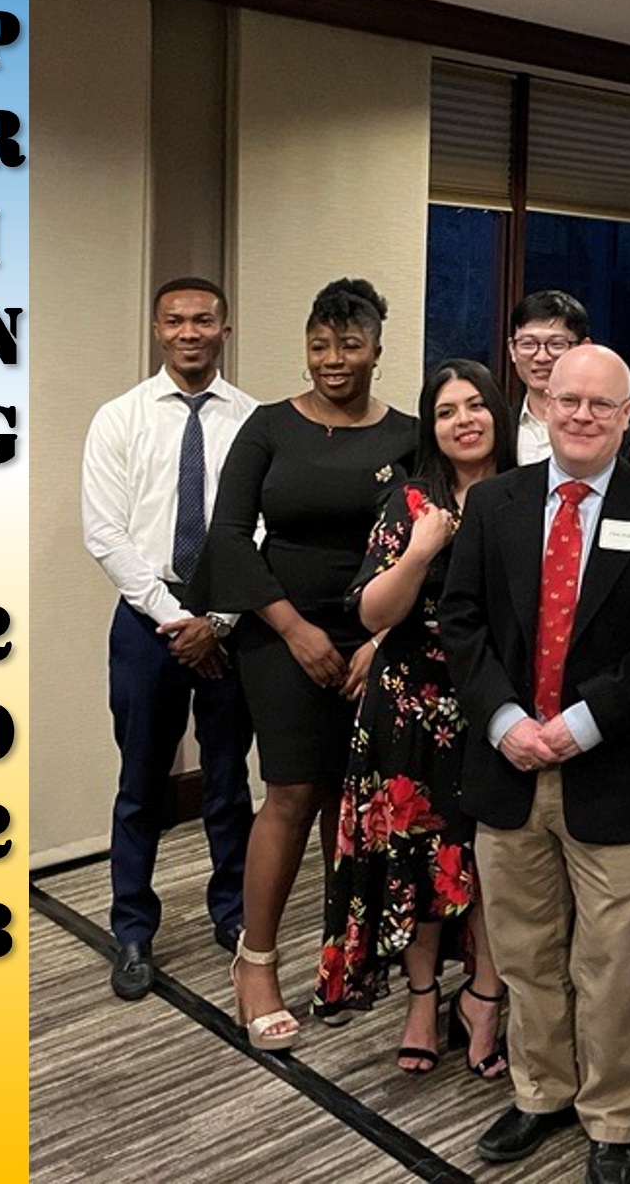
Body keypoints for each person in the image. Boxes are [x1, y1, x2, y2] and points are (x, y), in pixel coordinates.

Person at [438, 345, 630, 1184]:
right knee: (523, 948)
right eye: (566, 399)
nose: (581, 415)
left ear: (629, 415)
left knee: (614, 960)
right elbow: (460, 622)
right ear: (542, 405)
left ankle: (613, 1116)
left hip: (609, 764)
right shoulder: (495, 502)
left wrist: (583, 723)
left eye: (601, 404)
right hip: (508, 762)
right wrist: (506, 719)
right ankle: (540, 1090)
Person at [188, 277, 417, 1050]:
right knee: (288, 790)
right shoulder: (267, 427)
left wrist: (379, 641)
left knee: (349, 799)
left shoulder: (408, 437)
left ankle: (340, 959)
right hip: (279, 631)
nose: (332, 359)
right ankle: (254, 962)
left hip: (375, 630)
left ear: (376, 351)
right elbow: (225, 537)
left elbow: (429, 541)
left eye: (349, 345)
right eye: (320, 345)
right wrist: (291, 630)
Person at [316, 357, 517, 1079]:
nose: (463, 419)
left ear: (497, 411)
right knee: (416, 865)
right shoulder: (410, 501)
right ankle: (423, 999)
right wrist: (422, 550)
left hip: (494, 704)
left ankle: (486, 997)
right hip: (408, 704)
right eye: (445, 410)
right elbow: (371, 611)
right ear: (431, 427)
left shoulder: (530, 493)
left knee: (490, 863)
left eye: (474, 404)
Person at [81, 276, 259, 1000]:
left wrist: (216, 620)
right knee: (140, 783)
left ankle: (234, 914)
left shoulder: (254, 421)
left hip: (229, 622)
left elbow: (260, 530)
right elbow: (105, 532)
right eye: (175, 320)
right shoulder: (119, 418)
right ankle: (131, 928)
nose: (189, 331)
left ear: (225, 328)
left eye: (203, 320)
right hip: (146, 623)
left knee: (226, 779)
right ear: (157, 330)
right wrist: (173, 617)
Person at [508, 289, 593, 464]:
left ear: (583, 348)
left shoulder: (618, 436)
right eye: (528, 344)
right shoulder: (496, 430)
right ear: (512, 349)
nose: (541, 357)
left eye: (556, 344)